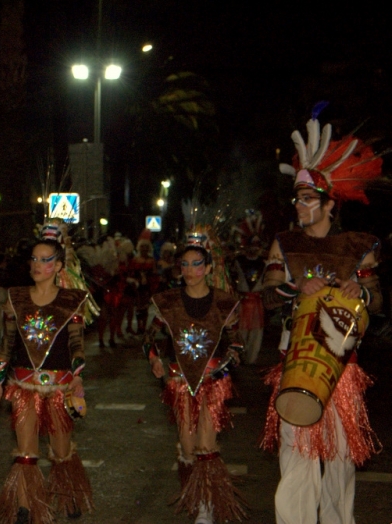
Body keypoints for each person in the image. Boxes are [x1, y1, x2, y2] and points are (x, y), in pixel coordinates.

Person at [260, 111, 383, 524]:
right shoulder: (284, 244)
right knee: (296, 455)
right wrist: (296, 290)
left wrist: (360, 292)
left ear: (330, 203)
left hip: (342, 370)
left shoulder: (358, 246)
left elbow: (379, 300)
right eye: (296, 198)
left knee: (341, 459)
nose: (299, 205)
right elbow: (266, 294)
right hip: (295, 361)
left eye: (307, 199)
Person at [0, 229, 93, 524]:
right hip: (22, 386)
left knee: (61, 450)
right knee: (25, 451)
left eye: (45, 260)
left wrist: (78, 377)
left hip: (60, 387)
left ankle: (68, 495)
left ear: (59, 266)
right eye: (34, 258)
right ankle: (25, 505)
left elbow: (76, 345)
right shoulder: (16, 298)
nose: (37, 265)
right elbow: (6, 345)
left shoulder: (72, 300)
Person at [143, 230, 246, 524]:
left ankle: (207, 506)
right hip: (179, 381)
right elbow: (149, 337)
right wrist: (154, 360)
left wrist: (221, 370)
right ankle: (194, 492)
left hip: (213, 381)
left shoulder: (224, 302)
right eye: (185, 265)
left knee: (205, 445)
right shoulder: (169, 302)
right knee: (187, 447)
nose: (190, 271)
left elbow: (237, 346)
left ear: (209, 268)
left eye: (197, 264)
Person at [230, 212, 267, 365]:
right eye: (252, 245)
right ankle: (240, 357)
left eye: (257, 245)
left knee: (256, 333)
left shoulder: (265, 262)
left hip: (257, 304)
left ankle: (251, 359)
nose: (254, 248)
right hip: (241, 303)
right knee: (241, 331)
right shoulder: (237, 261)